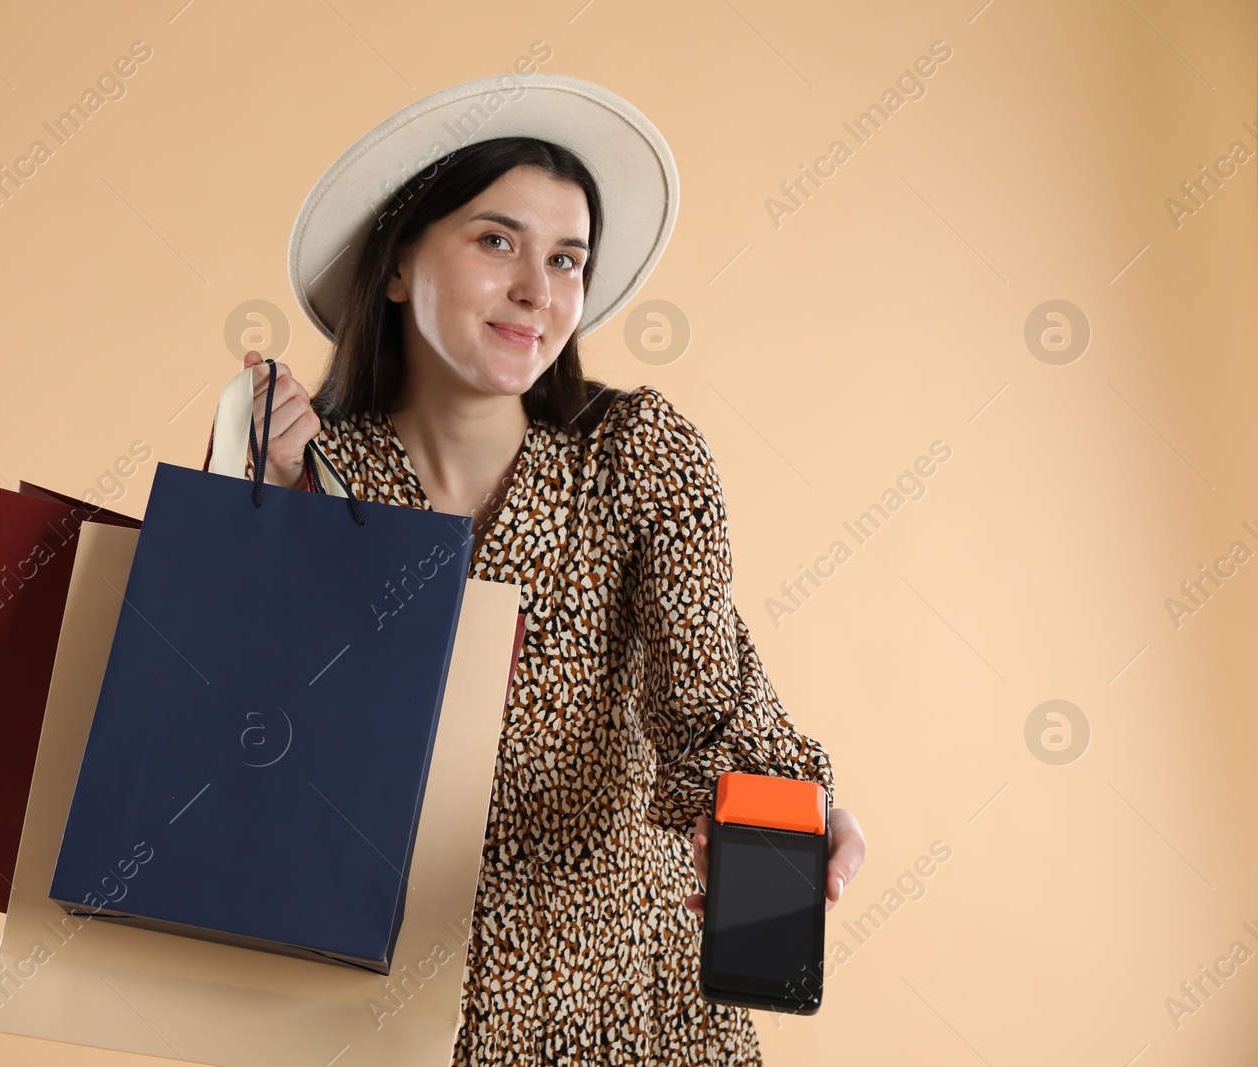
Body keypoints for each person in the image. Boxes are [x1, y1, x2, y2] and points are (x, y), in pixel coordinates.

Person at [237, 75, 866, 1065]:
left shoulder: (634, 457)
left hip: (626, 999)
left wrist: (786, 804)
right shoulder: (318, 477)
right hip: (380, 1011)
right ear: (398, 264)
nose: (539, 288)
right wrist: (254, 511)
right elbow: (244, 748)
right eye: (497, 241)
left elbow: (709, 700)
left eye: (566, 258)